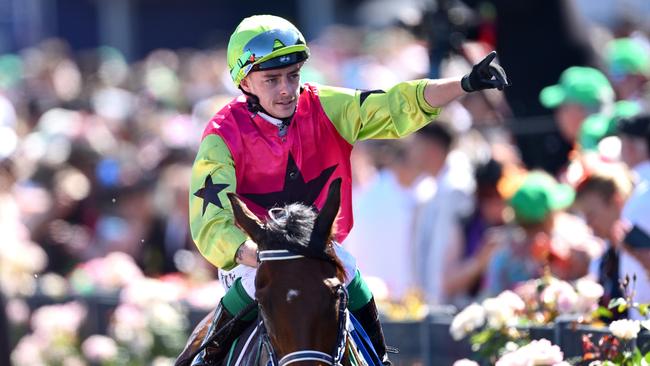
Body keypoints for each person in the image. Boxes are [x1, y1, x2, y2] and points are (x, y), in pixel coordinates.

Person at [178, 14, 509, 366]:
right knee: (246, 288)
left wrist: (464, 83)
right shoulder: (221, 135)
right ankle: (199, 358)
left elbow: (397, 104)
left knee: (353, 279)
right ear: (244, 81)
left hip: (318, 247)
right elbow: (211, 223)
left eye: (293, 76)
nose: (286, 89)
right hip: (253, 255)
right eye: (271, 80)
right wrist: (256, 255)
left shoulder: (326, 106)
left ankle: (380, 358)